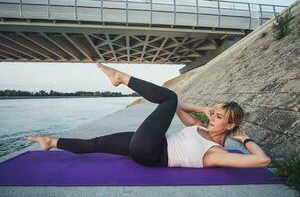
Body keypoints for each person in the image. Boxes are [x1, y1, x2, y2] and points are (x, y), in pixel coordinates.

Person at [25, 61, 271, 168]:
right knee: (97, 143)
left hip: (151, 153)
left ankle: (120, 77)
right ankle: (52, 142)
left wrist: (244, 139)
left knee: (169, 96)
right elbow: (177, 106)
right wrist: (203, 110)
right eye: (214, 113)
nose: (212, 117)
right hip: (148, 145)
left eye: (218, 117)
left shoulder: (218, 154)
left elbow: (262, 161)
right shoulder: (198, 127)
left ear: (230, 126)